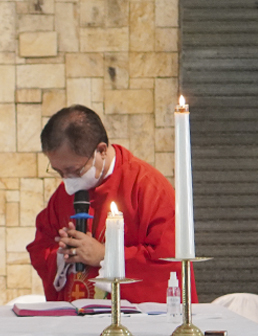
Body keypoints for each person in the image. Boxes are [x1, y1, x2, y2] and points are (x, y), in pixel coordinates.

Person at [27, 105, 195, 303]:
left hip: (134, 324)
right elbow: (41, 247)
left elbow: (169, 261)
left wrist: (104, 255)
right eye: (59, 171)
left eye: (74, 170)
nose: (66, 180)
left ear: (101, 151)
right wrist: (65, 252)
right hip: (75, 319)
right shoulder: (63, 196)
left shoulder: (147, 187)